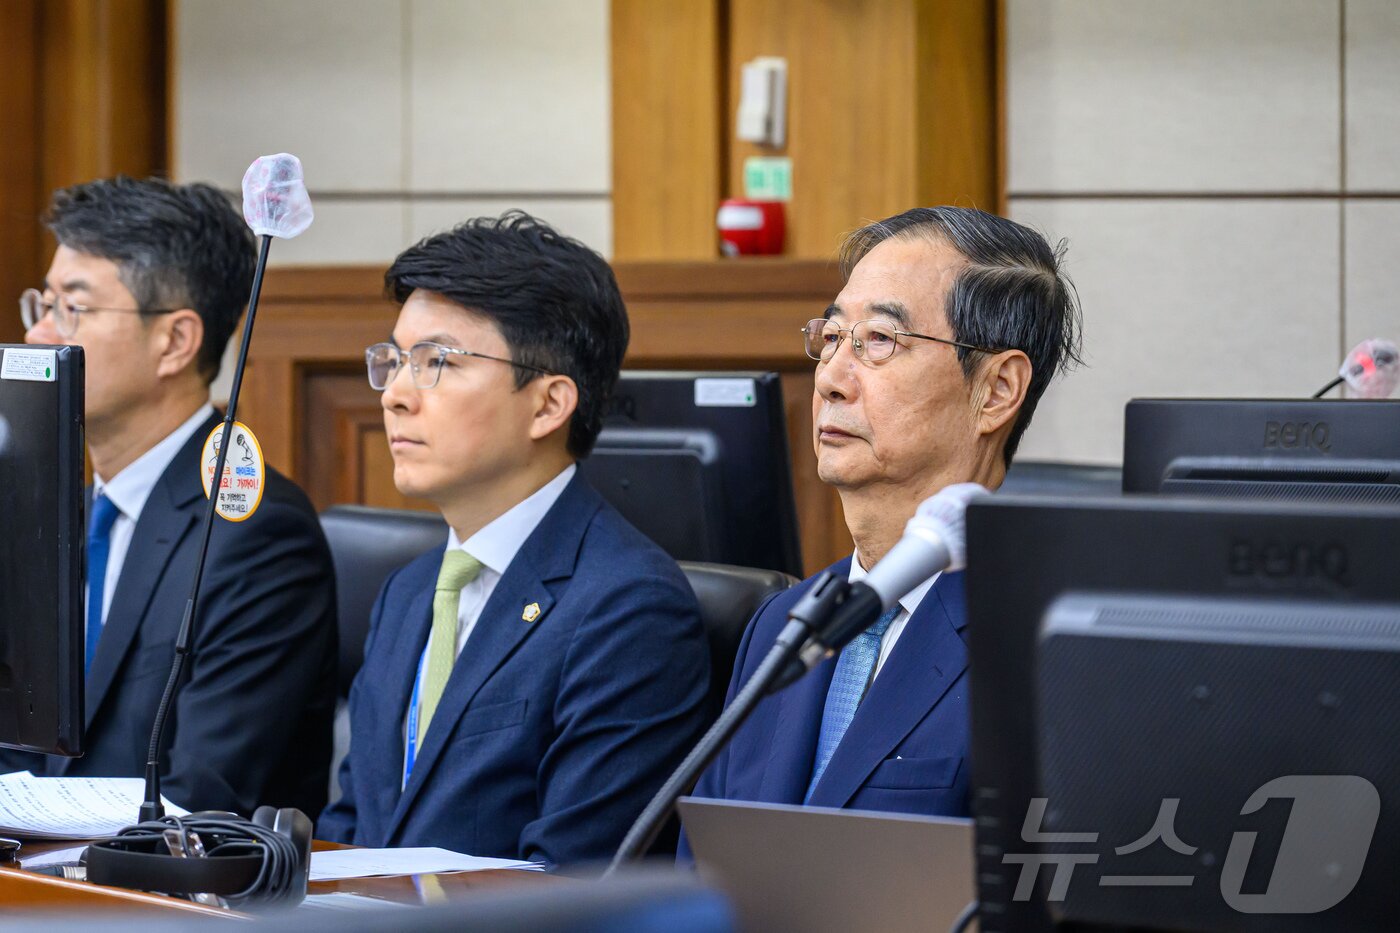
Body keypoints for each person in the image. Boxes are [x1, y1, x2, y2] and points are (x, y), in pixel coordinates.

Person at [319, 211, 710, 865]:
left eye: (436, 361)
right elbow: (351, 831)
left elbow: (568, 880)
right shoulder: (407, 593)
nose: (394, 395)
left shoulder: (630, 610)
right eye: (393, 361)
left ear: (549, 404)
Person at [690, 206, 1081, 818]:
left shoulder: (1045, 648)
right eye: (831, 337)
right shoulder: (781, 626)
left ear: (997, 390)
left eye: (879, 340)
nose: (830, 380)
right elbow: (704, 854)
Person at [10, 176, 338, 816]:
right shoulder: (56, 514)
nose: (39, 337)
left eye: (72, 308)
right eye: (42, 306)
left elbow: (199, 799)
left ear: (176, 341)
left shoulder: (257, 534)